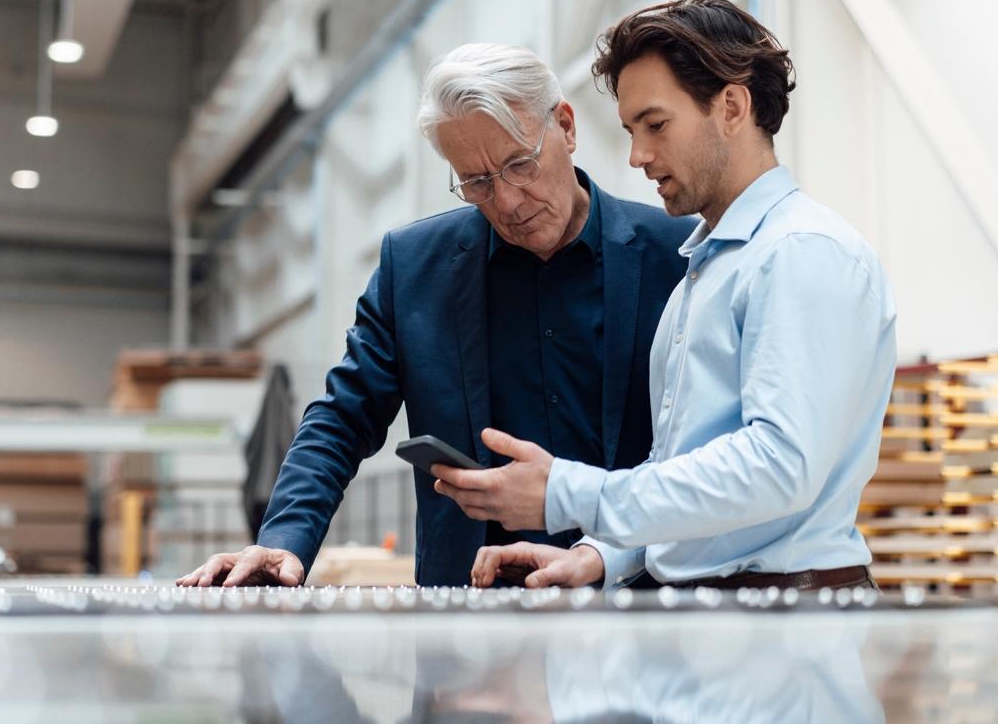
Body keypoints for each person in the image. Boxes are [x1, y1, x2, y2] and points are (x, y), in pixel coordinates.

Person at [177, 44, 694, 588]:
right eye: (477, 182)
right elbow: (342, 417)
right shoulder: (416, 268)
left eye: (520, 164)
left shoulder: (677, 254)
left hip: (636, 605)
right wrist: (282, 540)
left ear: (566, 127)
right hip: (469, 620)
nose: (508, 201)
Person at [434, 0, 897, 592]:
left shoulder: (800, 252)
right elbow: (684, 480)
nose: (637, 156)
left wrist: (570, 492)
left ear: (731, 106)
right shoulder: (705, 274)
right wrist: (602, 555)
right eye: (631, 131)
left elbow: (780, 467)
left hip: (786, 615)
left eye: (656, 125)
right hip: (724, 617)